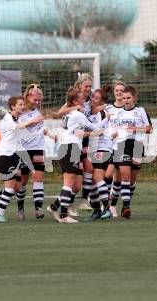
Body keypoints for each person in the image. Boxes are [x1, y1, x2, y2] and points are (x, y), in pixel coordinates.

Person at [47, 89, 109, 223]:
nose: (85, 101)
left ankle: (56, 208)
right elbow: (94, 126)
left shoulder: (71, 114)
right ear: (75, 101)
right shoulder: (77, 114)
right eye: (82, 99)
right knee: (69, 183)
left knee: (72, 183)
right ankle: (63, 215)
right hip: (71, 148)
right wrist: (107, 119)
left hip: (67, 147)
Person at [0, 96, 44, 223]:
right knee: (10, 187)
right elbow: (18, 127)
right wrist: (32, 121)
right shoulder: (8, 118)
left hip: (15, 156)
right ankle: (0, 214)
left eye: (23, 104)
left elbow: (25, 128)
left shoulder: (19, 118)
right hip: (3, 156)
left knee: (17, 188)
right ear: (13, 107)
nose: (23, 106)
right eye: (20, 104)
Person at [16, 84, 58, 220]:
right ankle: (20, 208)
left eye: (40, 100)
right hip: (23, 150)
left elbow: (40, 129)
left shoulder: (38, 112)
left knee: (38, 177)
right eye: (35, 99)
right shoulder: (20, 112)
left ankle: (38, 208)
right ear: (28, 97)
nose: (38, 102)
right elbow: (18, 129)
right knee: (22, 181)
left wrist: (51, 135)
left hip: (38, 148)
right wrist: (32, 121)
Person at [111, 85, 152, 219]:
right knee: (125, 177)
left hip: (137, 146)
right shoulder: (118, 113)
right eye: (124, 98)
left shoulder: (140, 111)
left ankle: (124, 205)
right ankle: (126, 207)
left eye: (128, 98)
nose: (126, 100)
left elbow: (149, 129)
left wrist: (136, 129)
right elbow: (114, 129)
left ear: (134, 98)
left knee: (132, 181)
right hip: (122, 145)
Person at [58, 73, 93, 213]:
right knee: (74, 177)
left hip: (84, 139)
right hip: (73, 140)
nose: (88, 89)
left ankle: (84, 200)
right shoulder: (75, 100)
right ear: (79, 86)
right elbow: (61, 111)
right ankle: (68, 204)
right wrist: (76, 108)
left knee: (88, 169)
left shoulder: (90, 100)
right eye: (86, 86)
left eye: (90, 86)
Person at [86, 86, 114, 221]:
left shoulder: (103, 112)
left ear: (102, 101)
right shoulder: (90, 112)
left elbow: (100, 131)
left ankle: (107, 209)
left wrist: (84, 133)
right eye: (93, 97)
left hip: (104, 147)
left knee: (97, 178)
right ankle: (97, 210)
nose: (93, 100)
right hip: (94, 148)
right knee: (91, 180)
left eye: (97, 98)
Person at [105, 80, 125, 217]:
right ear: (114, 92)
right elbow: (102, 125)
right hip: (108, 146)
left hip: (122, 146)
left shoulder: (129, 109)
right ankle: (104, 203)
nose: (119, 92)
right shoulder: (108, 109)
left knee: (117, 178)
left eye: (121, 90)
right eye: (117, 90)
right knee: (106, 176)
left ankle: (112, 206)